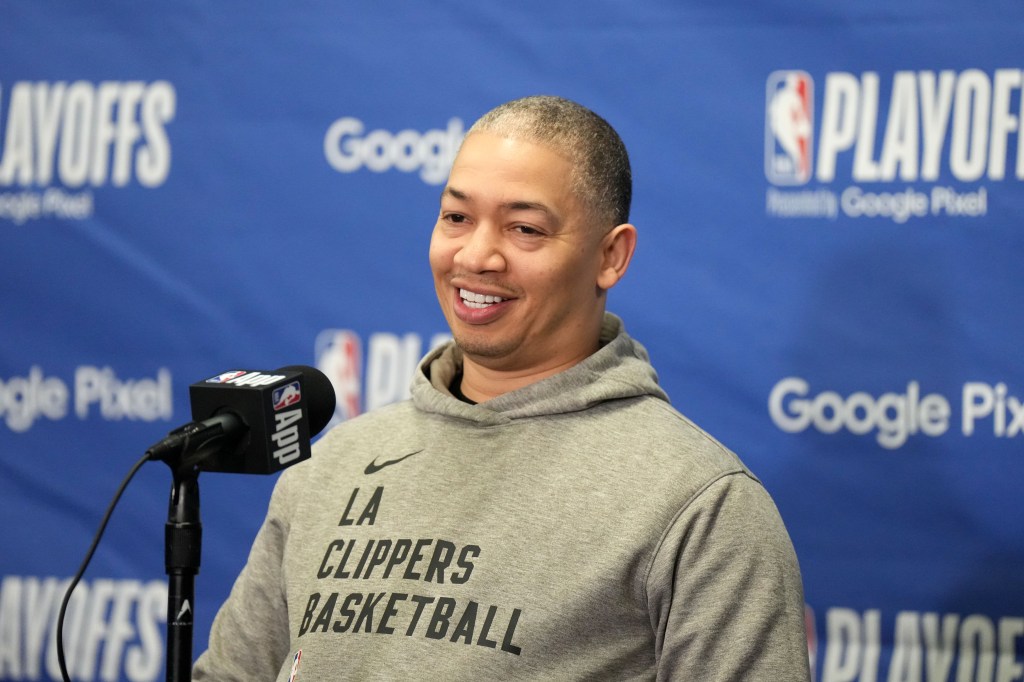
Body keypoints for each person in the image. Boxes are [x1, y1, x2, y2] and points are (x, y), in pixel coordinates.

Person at [193, 95, 811, 681]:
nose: (476, 256)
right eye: (456, 218)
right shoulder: (332, 466)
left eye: (524, 230)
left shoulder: (700, 503)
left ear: (611, 257)